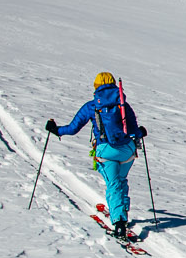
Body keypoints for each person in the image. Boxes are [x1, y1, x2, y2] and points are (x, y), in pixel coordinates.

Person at [47, 72, 146, 238]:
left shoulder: (92, 106)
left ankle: (119, 222)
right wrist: (141, 132)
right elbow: (135, 131)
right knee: (120, 181)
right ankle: (122, 210)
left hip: (106, 151)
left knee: (113, 184)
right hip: (127, 151)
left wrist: (56, 130)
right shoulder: (123, 105)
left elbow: (73, 128)